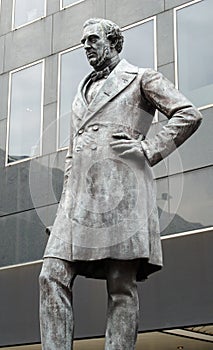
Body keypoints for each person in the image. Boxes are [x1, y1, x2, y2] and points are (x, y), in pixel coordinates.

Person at [39, 18, 202, 350]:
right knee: (51, 275)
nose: (86, 47)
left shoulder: (142, 78)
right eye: (83, 41)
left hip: (124, 194)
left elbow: (188, 113)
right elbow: (72, 155)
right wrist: (63, 208)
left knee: (120, 285)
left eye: (93, 40)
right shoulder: (81, 92)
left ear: (113, 42)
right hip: (78, 201)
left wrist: (148, 147)